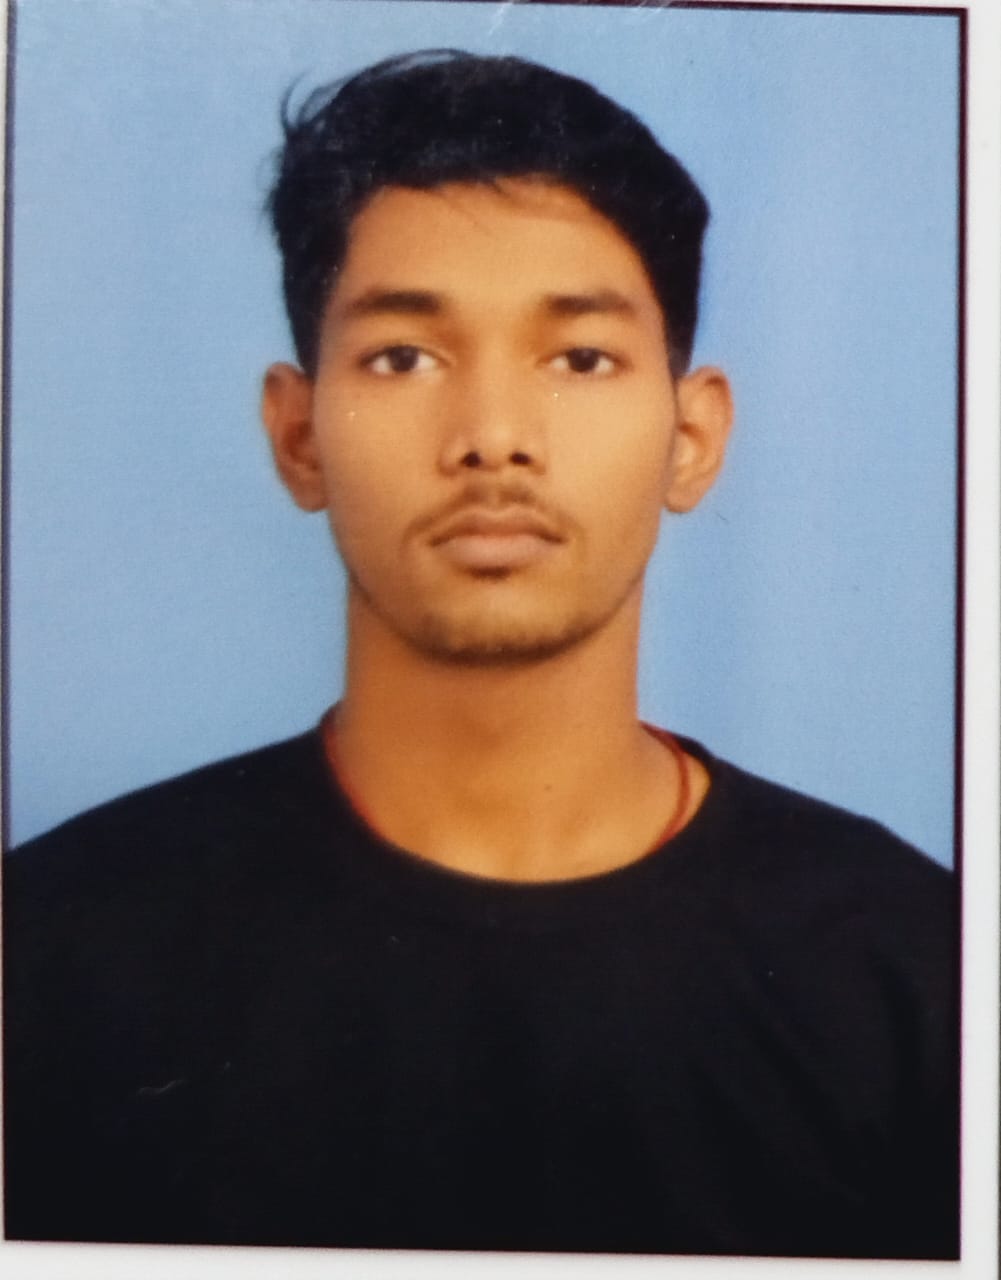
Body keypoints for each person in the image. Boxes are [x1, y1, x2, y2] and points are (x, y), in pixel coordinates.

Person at [3, 50, 957, 1257]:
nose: (493, 438)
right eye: (403, 356)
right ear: (298, 435)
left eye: (579, 358)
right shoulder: (48, 952)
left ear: (691, 436)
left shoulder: (917, 969)